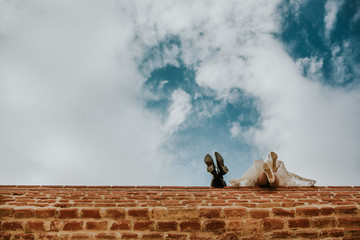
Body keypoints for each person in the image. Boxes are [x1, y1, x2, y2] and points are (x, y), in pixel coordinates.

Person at [229, 151, 316, 187]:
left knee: (258, 180)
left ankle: (269, 170)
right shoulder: (283, 175)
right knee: (275, 181)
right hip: (276, 180)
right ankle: (272, 170)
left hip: (261, 182)